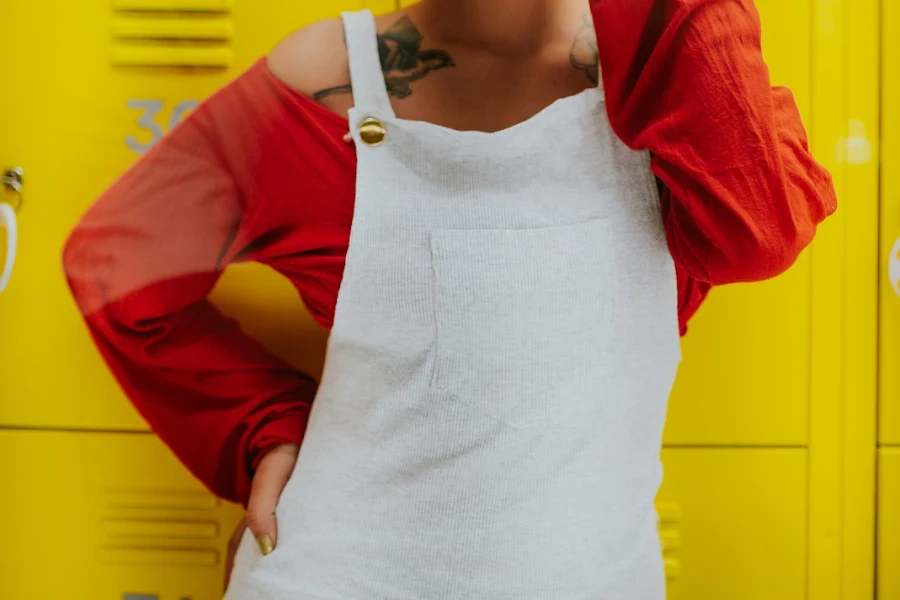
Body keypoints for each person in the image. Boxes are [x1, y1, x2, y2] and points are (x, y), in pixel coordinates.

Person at [63, 0, 837, 597]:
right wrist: (262, 431)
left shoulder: (678, 79)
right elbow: (115, 262)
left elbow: (759, 235)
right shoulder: (326, 78)